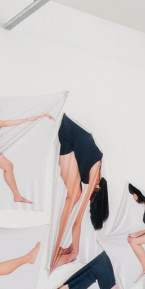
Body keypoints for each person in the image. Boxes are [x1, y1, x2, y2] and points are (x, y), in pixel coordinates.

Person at [49, 115, 109, 272]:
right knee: (74, 196)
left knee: (75, 194)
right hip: (68, 132)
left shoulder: (97, 172)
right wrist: (76, 251)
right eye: (92, 202)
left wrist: (72, 244)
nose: (89, 201)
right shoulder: (95, 180)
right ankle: (56, 248)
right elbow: (77, 221)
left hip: (69, 134)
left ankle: (59, 246)